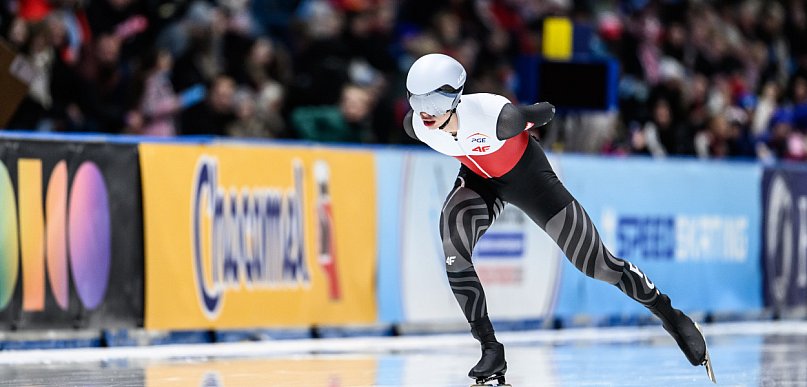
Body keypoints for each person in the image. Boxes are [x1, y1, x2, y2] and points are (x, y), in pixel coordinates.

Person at [402, 54, 715, 386]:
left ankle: (670, 316)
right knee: (453, 245)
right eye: (416, 99)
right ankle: (490, 349)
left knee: (596, 263)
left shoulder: (496, 117)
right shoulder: (417, 126)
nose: (425, 110)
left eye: (434, 100)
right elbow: (427, 123)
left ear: (455, 96)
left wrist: (540, 111)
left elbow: (541, 114)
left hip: (530, 179)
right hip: (480, 180)